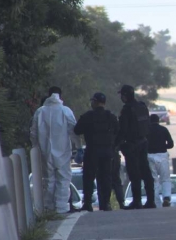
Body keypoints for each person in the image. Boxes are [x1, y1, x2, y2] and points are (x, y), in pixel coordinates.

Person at [30, 86, 82, 214]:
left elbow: (33, 133)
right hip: (63, 151)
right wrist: (79, 147)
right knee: (63, 179)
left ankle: (49, 207)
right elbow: (73, 131)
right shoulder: (65, 111)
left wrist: (35, 147)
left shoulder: (40, 112)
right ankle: (62, 207)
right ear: (60, 95)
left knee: (48, 180)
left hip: (45, 152)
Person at [74, 92, 119, 212]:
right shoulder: (111, 117)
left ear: (95, 102)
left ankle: (88, 203)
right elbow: (118, 132)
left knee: (88, 177)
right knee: (106, 177)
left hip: (92, 150)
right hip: (107, 151)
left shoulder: (88, 116)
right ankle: (106, 203)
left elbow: (77, 130)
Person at [116, 85, 156, 209]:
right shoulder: (142, 107)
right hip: (143, 142)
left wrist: (117, 144)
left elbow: (123, 129)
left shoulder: (127, 109)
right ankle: (150, 200)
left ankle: (137, 201)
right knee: (146, 172)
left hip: (132, 144)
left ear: (125, 96)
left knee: (134, 174)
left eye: (122, 95)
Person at [147, 113, 174, 207]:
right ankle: (166, 197)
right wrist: (163, 146)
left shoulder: (146, 130)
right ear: (158, 121)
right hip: (162, 155)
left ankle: (155, 200)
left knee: (154, 180)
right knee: (165, 178)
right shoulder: (164, 129)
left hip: (149, 156)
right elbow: (171, 144)